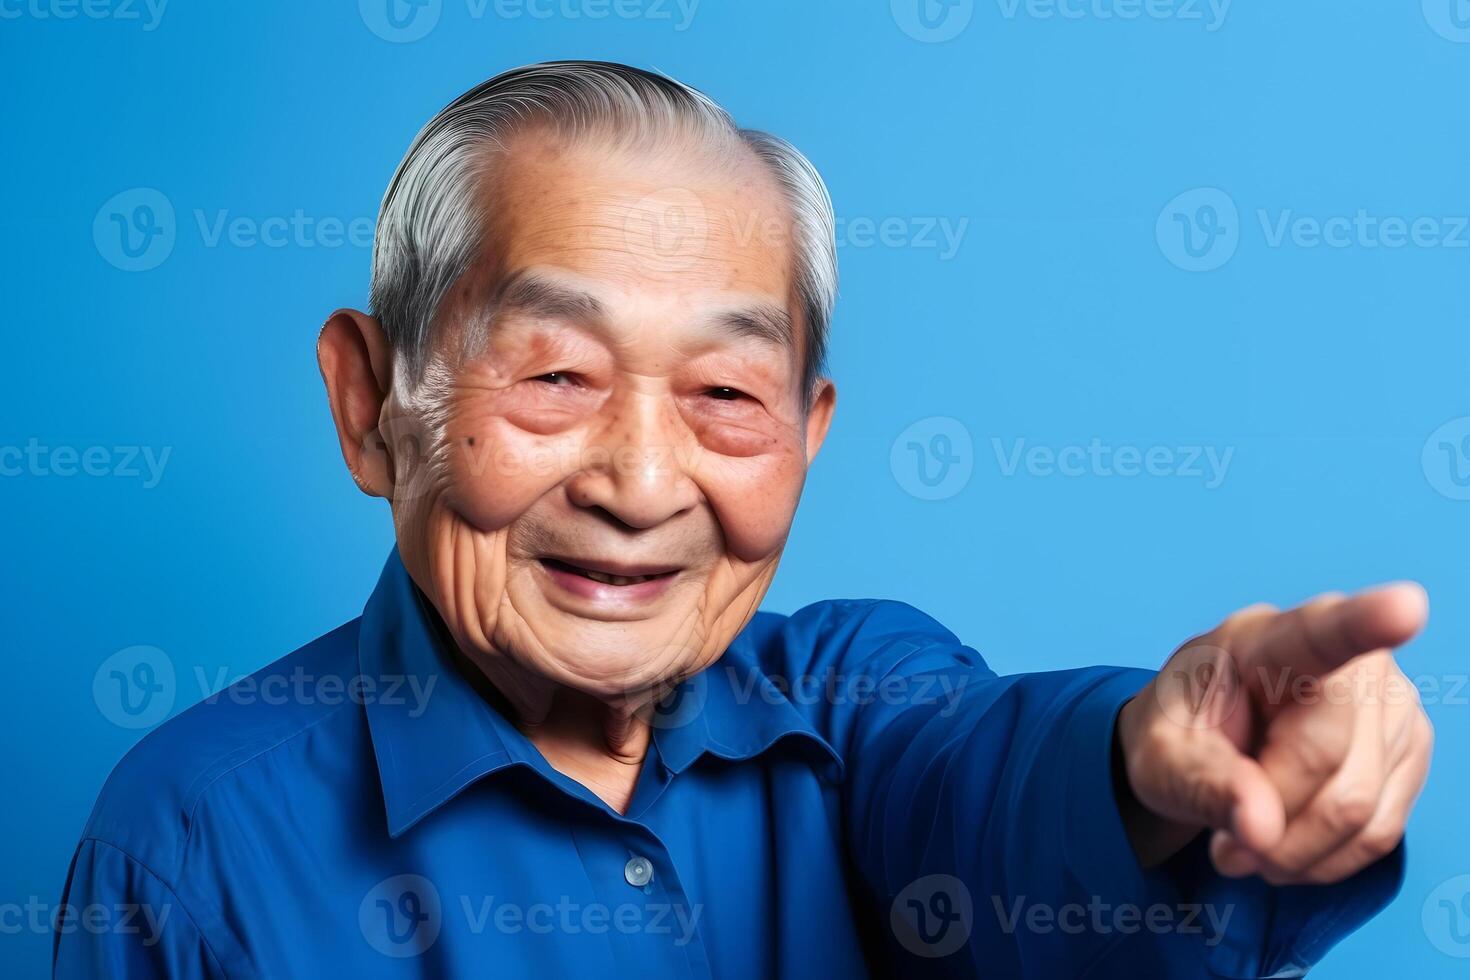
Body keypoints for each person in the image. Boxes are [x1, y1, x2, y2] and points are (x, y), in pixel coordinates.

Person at [56, 62, 1432, 978]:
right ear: (371, 407)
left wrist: (1152, 765)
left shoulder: (855, 710)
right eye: (553, 376)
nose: (642, 483)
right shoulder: (191, 847)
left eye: (723, 391)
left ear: (807, 433)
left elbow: (1003, 790)